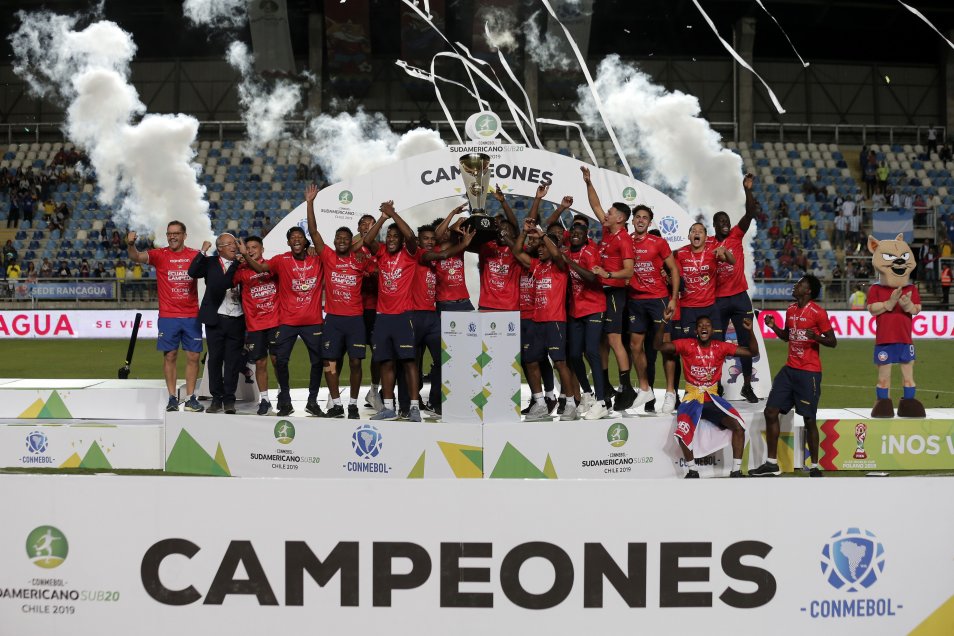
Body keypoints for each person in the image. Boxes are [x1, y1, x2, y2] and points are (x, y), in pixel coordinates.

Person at [654, 306, 758, 478]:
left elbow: (753, 352)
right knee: (682, 432)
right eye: (701, 325)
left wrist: (750, 332)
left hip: (712, 399)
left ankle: (736, 471)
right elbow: (658, 345)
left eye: (707, 325)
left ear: (713, 330)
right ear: (696, 330)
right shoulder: (686, 345)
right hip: (692, 397)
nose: (704, 327)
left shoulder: (721, 347)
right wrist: (664, 322)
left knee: (738, 427)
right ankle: (692, 470)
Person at [751, 275, 837, 477]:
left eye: (799, 284)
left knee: (809, 419)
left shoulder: (818, 313)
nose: (795, 286)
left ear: (807, 291)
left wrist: (815, 337)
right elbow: (786, 336)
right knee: (771, 411)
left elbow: (833, 341)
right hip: (790, 370)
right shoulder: (790, 310)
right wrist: (773, 327)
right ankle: (771, 463)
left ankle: (815, 466)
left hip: (809, 373)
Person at [238, 223, 325, 418]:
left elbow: (340, 253)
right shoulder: (280, 260)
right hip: (287, 321)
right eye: (292, 237)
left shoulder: (318, 259)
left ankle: (313, 401)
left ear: (305, 241)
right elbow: (260, 267)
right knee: (281, 362)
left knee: (318, 361)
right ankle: (284, 400)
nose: (296, 239)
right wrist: (244, 255)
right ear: (288, 242)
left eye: (299, 237)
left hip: (313, 321)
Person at [352, 201, 423, 422]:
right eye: (389, 236)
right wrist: (382, 218)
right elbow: (368, 240)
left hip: (403, 316)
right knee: (385, 362)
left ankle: (413, 407)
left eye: (395, 236)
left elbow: (410, 235)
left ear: (401, 241)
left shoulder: (410, 254)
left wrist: (393, 214)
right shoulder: (381, 252)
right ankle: (388, 407)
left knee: (409, 362)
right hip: (382, 317)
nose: (391, 239)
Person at [305, 184, 370, 419]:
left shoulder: (360, 259)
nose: (342, 240)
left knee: (355, 362)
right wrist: (310, 203)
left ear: (350, 241)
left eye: (345, 238)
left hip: (355, 320)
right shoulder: (328, 256)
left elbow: (368, 242)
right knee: (329, 362)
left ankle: (353, 404)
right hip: (332, 320)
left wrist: (380, 220)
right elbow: (312, 232)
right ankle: (336, 404)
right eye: (338, 238)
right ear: (333, 241)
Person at [127, 222, 204, 412]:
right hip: (168, 316)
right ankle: (171, 397)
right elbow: (136, 257)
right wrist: (130, 244)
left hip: (191, 315)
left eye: (176, 233)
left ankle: (191, 398)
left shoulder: (195, 255)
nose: (172, 237)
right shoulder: (159, 255)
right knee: (170, 355)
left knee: (193, 356)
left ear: (185, 235)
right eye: (169, 233)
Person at [581, 166, 637, 411]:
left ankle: (627, 389)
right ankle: (605, 385)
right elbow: (595, 206)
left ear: (620, 219)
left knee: (615, 340)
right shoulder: (607, 229)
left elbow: (629, 271)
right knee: (601, 341)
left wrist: (607, 274)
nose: (606, 213)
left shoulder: (624, 239)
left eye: (611, 212)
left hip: (615, 293)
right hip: (601, 293)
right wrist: (588, 182)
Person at [513, 218, 577, 420]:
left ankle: (570, 404)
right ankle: (540, 403)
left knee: (559, 363)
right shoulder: (536, 266)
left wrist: (542, 235)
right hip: (536, 321)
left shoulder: (560, 265)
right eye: (538, 247)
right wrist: (523, 232)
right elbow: (517, 252)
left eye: (543, 247)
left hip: (555, 321)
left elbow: (557, 253)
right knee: (530, 361)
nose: (539, 250)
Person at [625, 204, 680, 413]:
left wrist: (673, 298)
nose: (640, 220)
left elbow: (673, 269)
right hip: (635, 301)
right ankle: (645, 387)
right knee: (634, 345)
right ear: (633, 220)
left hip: (658, 300)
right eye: (637, 217)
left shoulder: (658, 242)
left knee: (666, 347)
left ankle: (669, 393)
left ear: (649, 222)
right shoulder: (626, 241)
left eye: (645, 218)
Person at [188, 233, 243, 414]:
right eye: (229, 244)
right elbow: (193, 272)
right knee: (215, 361)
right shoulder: (211, 262)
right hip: (216, 319)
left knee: (233, 362)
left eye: (235, 243)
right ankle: (216, 399)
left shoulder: (244, 262)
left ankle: (229, 400)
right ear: (219, 248)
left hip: (237, 318)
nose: (234, 246)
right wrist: (202, 251)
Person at [562, 222, 609, 420]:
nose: (575, 235)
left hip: (594, 308)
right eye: (573, 232)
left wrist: (570, 262)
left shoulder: (590, 252)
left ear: (585, 236)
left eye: (580, 233)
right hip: (575, 310)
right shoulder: (566, 250)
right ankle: (587, 394)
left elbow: (591, 277)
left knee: (591, 351)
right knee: (573, 355)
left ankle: (601, 402)